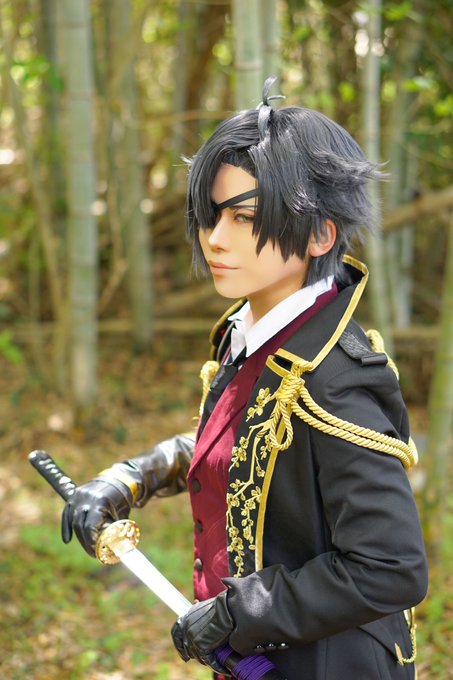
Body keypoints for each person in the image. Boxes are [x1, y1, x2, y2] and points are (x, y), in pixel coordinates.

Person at [61, 78, 428, 680]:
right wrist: (131, 477)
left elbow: (392, 568)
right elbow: (246, 445)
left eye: (245, 216)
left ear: (320, 234)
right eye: (212, 214)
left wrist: (239, 611)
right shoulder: (252, 333)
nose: (215, 237)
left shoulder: (334, 378)